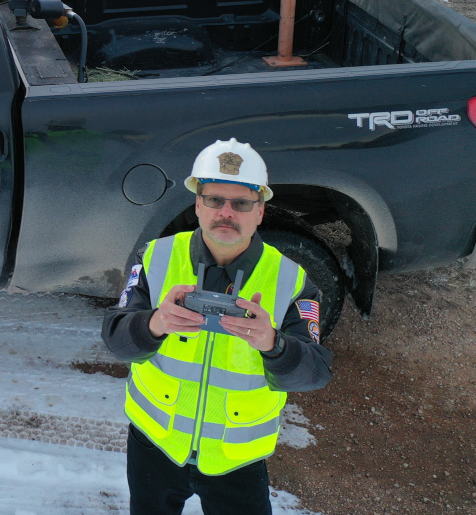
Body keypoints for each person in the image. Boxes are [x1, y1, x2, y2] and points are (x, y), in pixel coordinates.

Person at [102, 138, 333, 515]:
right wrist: (154, 323)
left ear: (260, 211)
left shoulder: (291, 280)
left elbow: (315, 372)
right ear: (197, 204)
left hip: (236, 460)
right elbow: (116, 340)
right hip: (154, 447)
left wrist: (274, 344)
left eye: (241, 203)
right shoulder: (157, 257)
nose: (226, 212)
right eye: (214, 200)